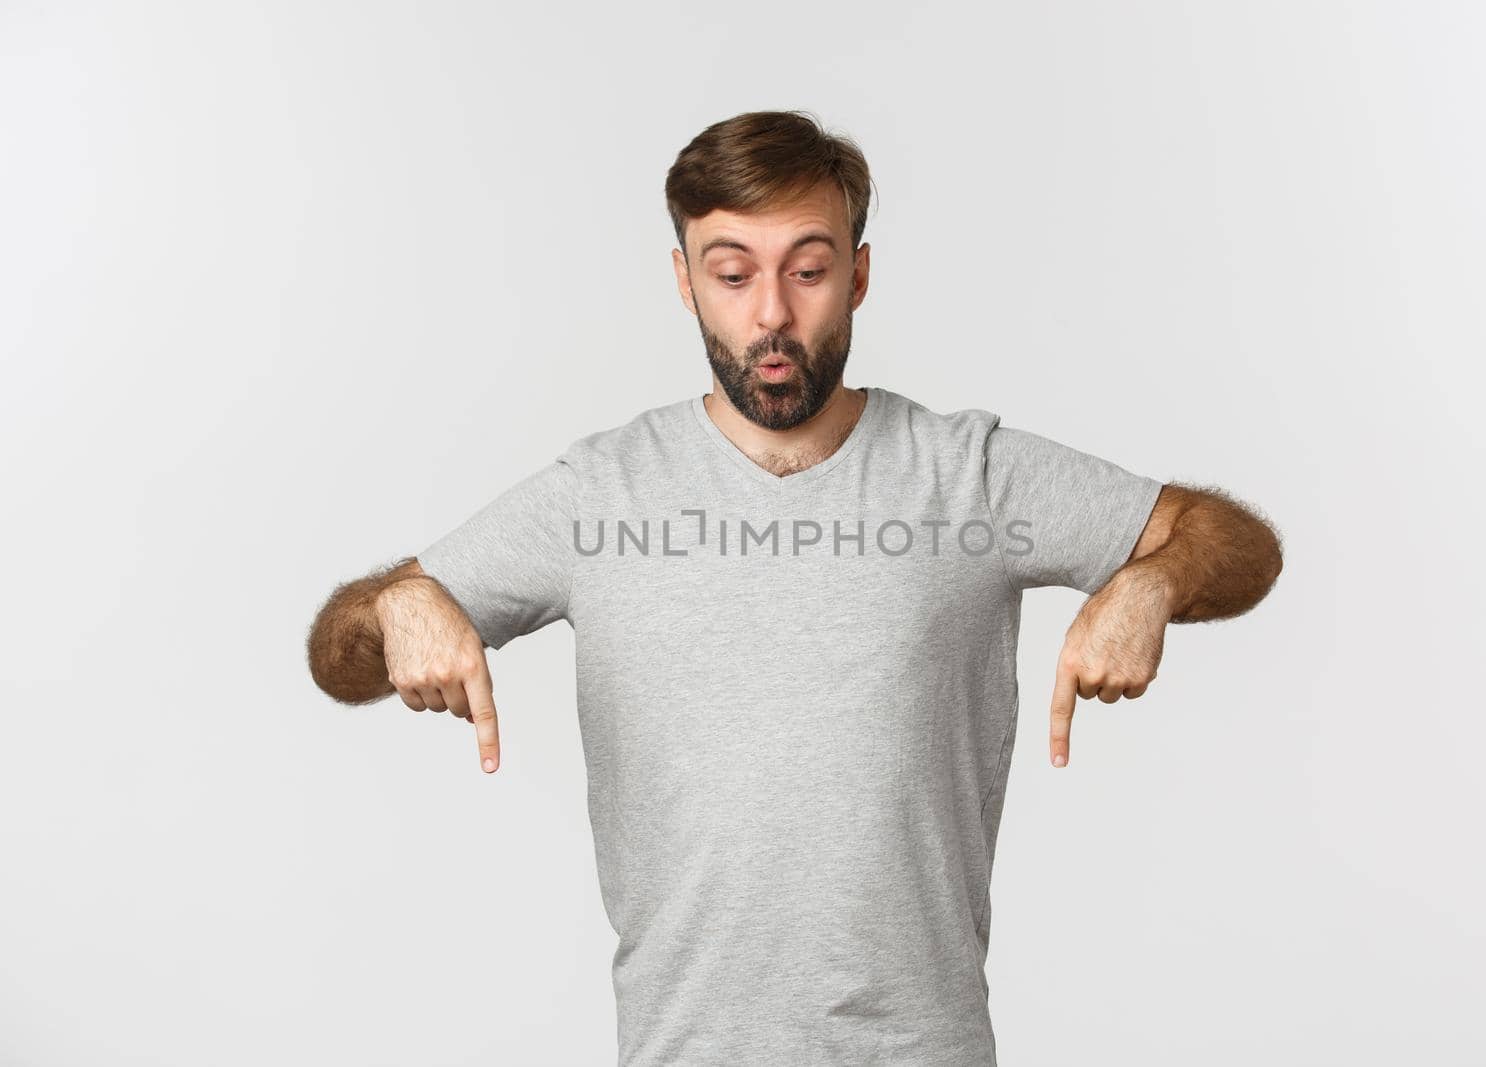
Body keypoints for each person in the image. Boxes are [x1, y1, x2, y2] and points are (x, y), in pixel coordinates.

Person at [306, 110, 1284, 1066]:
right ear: (685, 282)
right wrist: (401, 603)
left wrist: (1149, 582)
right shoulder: (595, 496)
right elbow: (340, 656)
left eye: (808, 270)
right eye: (732, 274)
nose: (771, 312)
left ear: (858, 274)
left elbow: (1233, 543)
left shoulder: (972, 478)